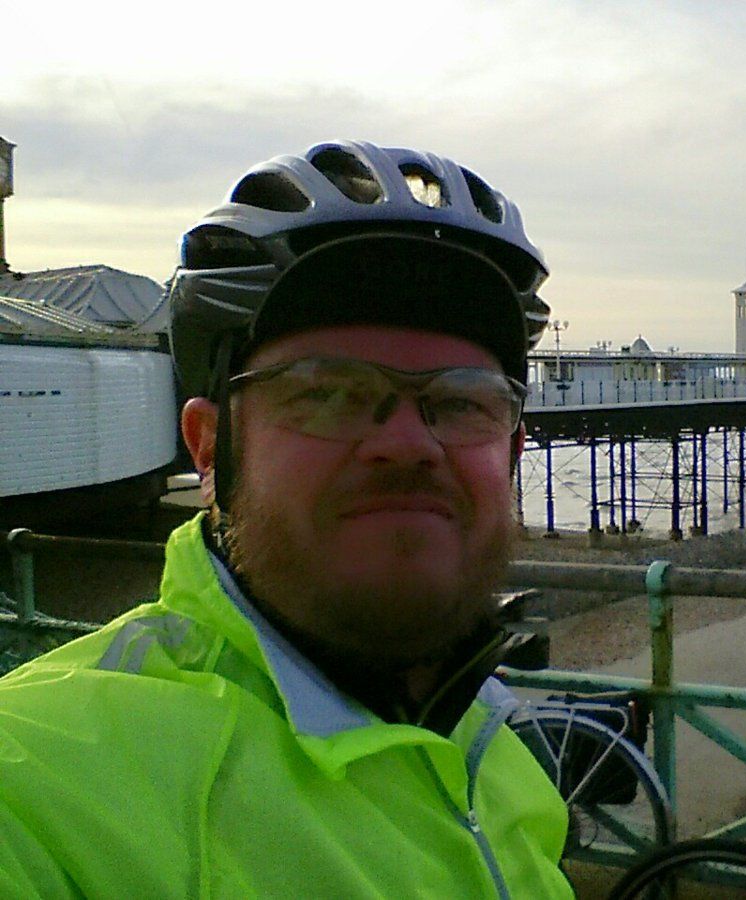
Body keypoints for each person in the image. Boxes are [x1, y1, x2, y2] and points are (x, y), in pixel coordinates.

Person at [0, 140, 573, 897]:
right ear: (208, 449)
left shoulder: (496, 752)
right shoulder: (41, 781)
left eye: (463, 401)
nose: (407, 443)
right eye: (328, 391)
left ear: (512, 450)